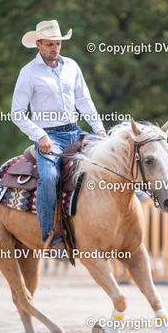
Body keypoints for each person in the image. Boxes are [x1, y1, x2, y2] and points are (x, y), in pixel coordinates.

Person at [11, 20, 106, 257]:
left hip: (75, 132)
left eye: (58, 43)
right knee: (49, 177)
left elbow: (84, 101)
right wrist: (40, 135)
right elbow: (17, 113)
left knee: (111, 160)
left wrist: (99, 130)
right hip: (49, 136)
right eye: (50, 44)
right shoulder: (28, 73)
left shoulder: (72, 66)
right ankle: (51, 236)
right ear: (38, 44)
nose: (55, 48)